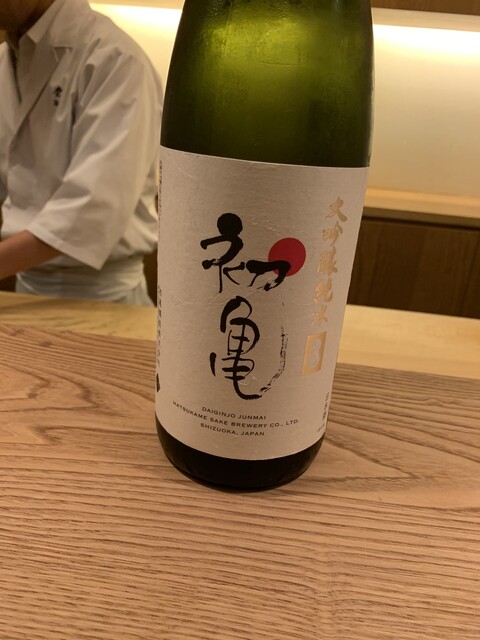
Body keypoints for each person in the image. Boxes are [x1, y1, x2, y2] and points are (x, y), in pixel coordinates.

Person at [0, 0, 163, 305]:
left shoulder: (116, 60)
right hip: (25, 290)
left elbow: (92, 211)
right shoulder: (6, 60)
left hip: (105, 299)